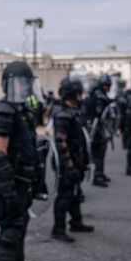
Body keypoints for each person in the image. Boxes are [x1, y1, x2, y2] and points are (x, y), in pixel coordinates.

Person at [0, 60, 43, 261]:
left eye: (26, 83)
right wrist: (7, 189)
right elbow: (0, 154)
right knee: (10, 230)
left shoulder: (23, 110)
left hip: (24, 180)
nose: (23, 88)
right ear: (8, 84)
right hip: (11, 182)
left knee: (21, 225)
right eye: (19, 83)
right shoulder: (3, 110)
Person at [51, 76, 94, 243]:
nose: (81, 96)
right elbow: (61, 143)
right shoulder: (63, 114)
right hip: (66, 163)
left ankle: (76, 222)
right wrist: (69, 167)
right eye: (78, 93)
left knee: (74, 194)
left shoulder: (73, 112)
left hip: (76, 160)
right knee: (64, 196)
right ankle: (58, 229)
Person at [86, 74, 113, 187]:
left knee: (101, 152)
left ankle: (100, 173)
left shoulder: (99, 95)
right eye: (105, 85)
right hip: (97, 127)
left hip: (100, 127)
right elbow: (100, 113)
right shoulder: (99, 96)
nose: (107, 87)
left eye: (108, 85)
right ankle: (97, 176)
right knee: (98, 153)